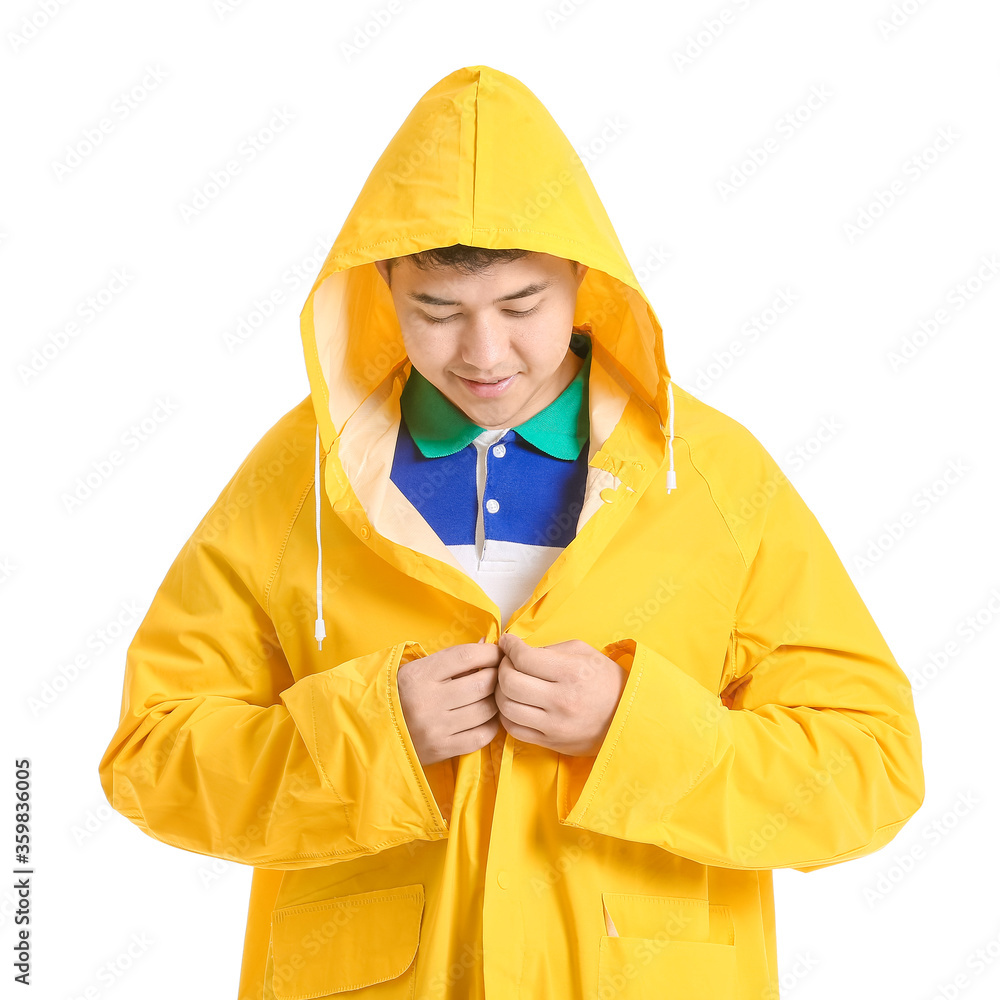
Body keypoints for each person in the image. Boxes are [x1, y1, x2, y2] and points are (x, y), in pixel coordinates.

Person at [98, 64, 925, 1000]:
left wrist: (631, 729)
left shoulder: (715, 474)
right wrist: (378, 737)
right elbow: (152, 756)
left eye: (523, 306)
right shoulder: (302, 479)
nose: (483, 355)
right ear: (383, 289)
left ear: (584, 282)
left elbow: (873, 769)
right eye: (437, 312)